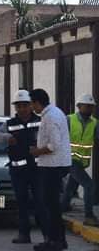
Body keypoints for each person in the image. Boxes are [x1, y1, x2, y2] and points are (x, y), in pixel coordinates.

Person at [0, 90, 43, 244]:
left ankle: (47, 235)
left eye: (25, 105)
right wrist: (6, 137)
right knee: (22, 202)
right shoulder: (10, 124)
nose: (22, 109)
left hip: (37, 170)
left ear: (31, 106)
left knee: (40, 201)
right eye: (19, 106)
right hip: (18, 171)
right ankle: (24, 234)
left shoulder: (41, 121)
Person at [29, 88, 72, 251]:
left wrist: (36, 151)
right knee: (50, 204)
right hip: (52, 164)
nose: (33, 108)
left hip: (53, 165)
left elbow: (54, 145)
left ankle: (55, 241)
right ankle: (57, 239)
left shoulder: (51, 117)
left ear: (37, 102)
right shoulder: (52, 113)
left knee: (50, 205)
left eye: (33, 104)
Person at [61, 94, 98, 226]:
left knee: (72, 184)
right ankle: (89, 216)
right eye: (87, 106)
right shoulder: (69, 120)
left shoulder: (94, 123)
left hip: (81, 162)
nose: (89, 109)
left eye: (91, 107)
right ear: (79, 107)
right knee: (89, 185)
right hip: (69, 159)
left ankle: (63, 206)